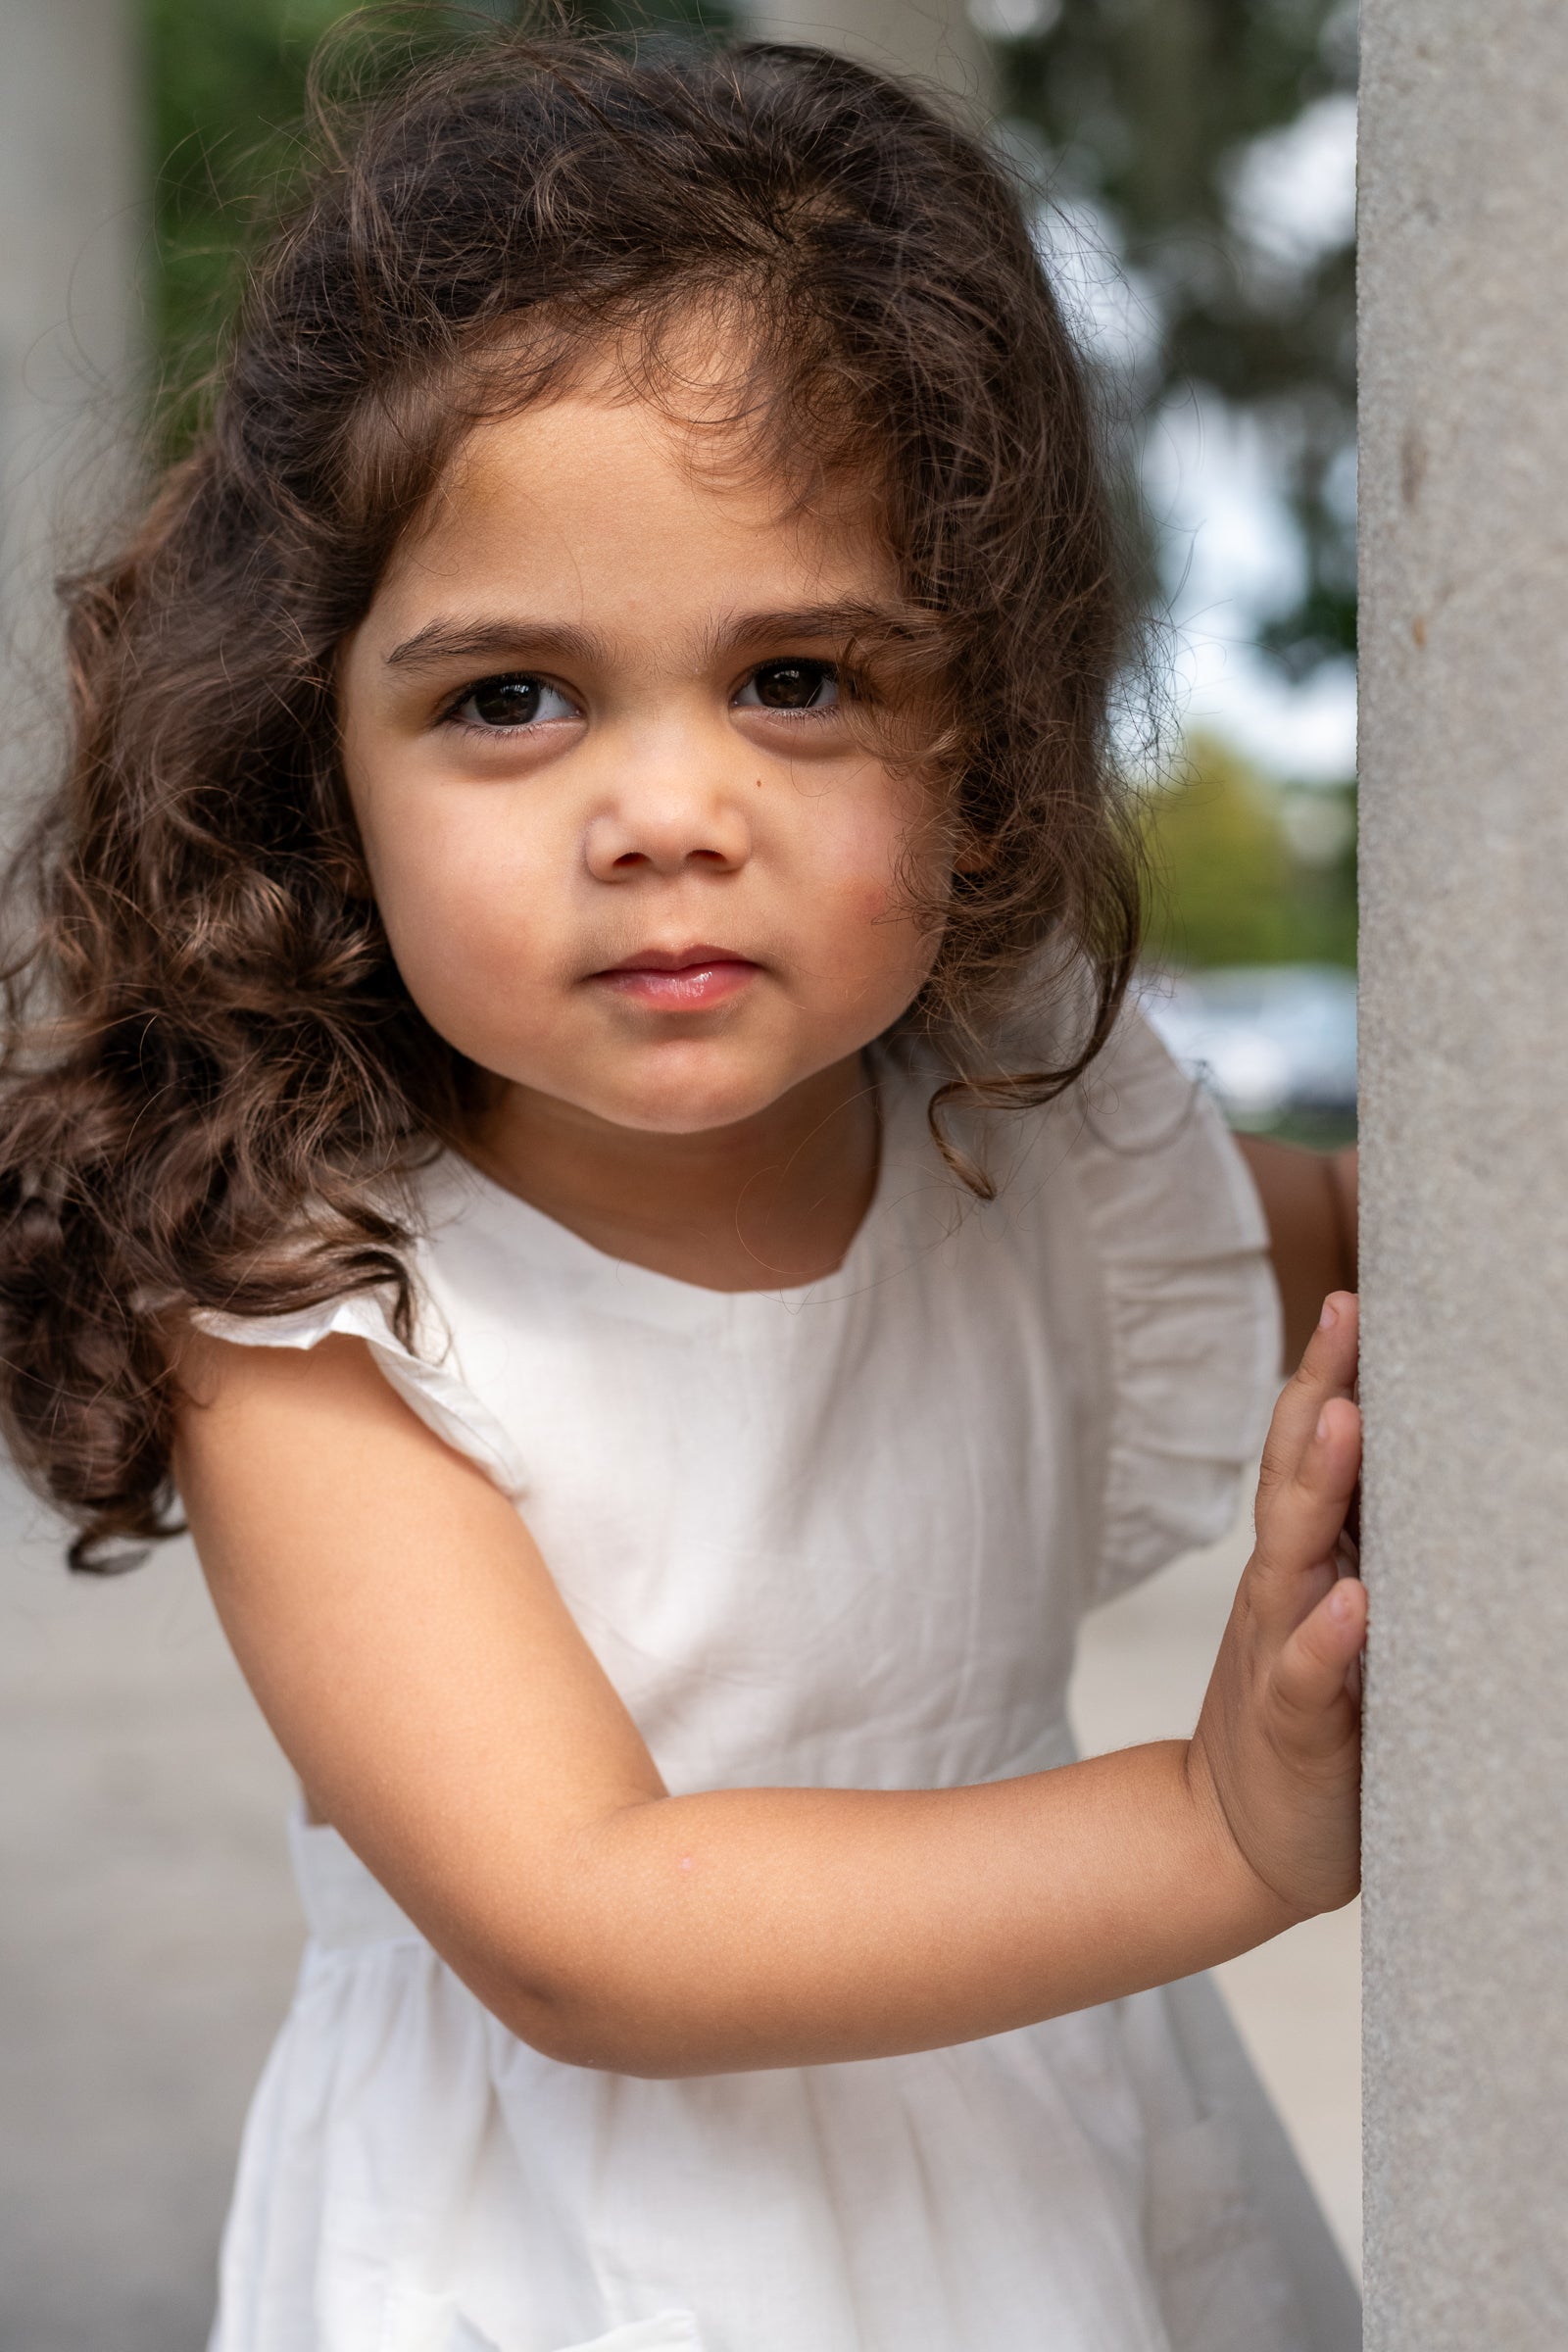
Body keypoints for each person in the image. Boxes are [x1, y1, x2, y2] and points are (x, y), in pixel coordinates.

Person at [0, 27, 1364, 2352]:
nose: (662, 811)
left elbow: (1437, 1258)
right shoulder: (313, 1304)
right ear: (316, 761)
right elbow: (585, 1924)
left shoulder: (1029, 1145)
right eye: (512, 698)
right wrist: (1222, 1825)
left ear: (984, 727)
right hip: (583, 2263)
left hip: (1056, 2187)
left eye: (798, 676)